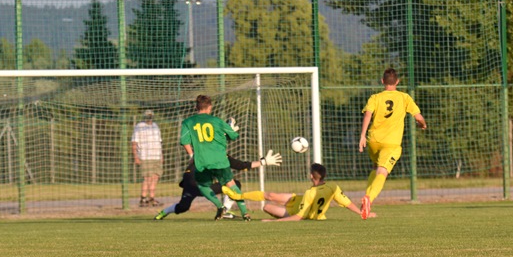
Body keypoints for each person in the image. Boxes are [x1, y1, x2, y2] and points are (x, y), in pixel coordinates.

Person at [358, 68, 427, 219]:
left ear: (382, 81)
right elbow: (418, 117)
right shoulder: (404, 97)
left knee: (375, 167)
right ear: (397, 82)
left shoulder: (375, 97)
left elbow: (368, 115)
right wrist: (423, 124)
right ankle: (369, 198)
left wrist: (362, 136)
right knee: (382, 172)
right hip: (391, 144)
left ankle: (366, 203)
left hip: (373, 140)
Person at [154, 150, 282, 220]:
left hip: (188, 181)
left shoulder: (202, 148)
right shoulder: (220, 153)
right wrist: (263, 162)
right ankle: (224, 210)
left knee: (183, 207)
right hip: (198, 183)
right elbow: (240, 165)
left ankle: (163, 212)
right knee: (234, 184)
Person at [179, 95, 250, 220]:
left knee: (202, 186)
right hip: (220, 160)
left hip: (202, 161)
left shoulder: (188, 122)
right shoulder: (217, 120)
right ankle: (245, 213)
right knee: (231, 184)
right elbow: (233, 136)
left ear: (196, 107)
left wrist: (191, 155)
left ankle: (219, 206)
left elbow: (185, 141)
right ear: (210, 107)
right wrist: (231, 130)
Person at [222, 162, 362, 221]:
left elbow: (299, 217)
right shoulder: (333, 187)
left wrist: (273, 222)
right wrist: (362, 213)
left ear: (311, 176)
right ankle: (238, 195)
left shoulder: (311, 193)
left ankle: (237, 195)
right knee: (270, 195)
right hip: (298, 200)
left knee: (267, 207)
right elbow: (347, 203)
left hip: (294, 212)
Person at [132, 109, 163, 207]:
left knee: (155, 177)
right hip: (145, 156)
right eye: (148, 116)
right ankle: (143, 198)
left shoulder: (155, 126)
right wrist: (136, 156)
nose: (149, 117)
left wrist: (161, 155)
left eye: (151, 115)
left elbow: (159, 142)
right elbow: (134, 142)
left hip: (156, 156)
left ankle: (152, 198)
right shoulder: (139, 126)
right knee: (147, 177)